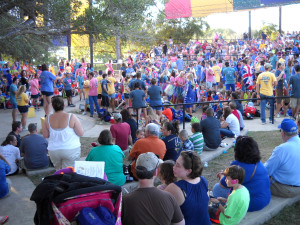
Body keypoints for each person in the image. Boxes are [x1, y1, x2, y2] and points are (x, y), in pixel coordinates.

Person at [122, 152, 185, 225]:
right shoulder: (169, 198)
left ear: (136, 171)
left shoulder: (124, 201)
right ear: (156, 172)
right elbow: (180, 223)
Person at [213, 136, 271, 212]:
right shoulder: (258, 163)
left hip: (249, 204)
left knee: (217, 188)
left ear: (238, 151)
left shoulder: (237, 165)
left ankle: (227, 205)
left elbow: (222, 184)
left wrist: (222, 176)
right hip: (265, 199)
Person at [165, 151, 211, 225]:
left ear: (188, 171)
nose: (174, 167)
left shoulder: (175, 188)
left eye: (178, 165)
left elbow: (159, 210)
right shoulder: (203, 180)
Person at [42, 96, 84, 170]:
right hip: (71, 149)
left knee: (59, 173)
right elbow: (81, 133)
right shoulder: (71, 117)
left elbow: (45, 135)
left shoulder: (47, 118)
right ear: (64, 105)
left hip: (54, 151)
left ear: (53, 106)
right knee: (70, 173)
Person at [264, 119, 300, 197]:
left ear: (283, 133)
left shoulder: (282, 149)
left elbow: (266, 170)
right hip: (297, 186)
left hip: (286, 189)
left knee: (259, 178)